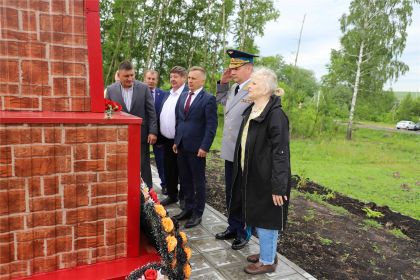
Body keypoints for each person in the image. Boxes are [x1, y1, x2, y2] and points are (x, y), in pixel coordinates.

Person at [229, 67, 291, 275]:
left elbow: (281, 154)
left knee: (267, 220)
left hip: (268, 178)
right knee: (257, 215)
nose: (250, 86)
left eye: (254, 83)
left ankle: (267, 261)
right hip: (253, 175)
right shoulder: (253, 110)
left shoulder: (276, 116)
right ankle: (268, 251)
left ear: (265, 88)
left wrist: (278, 186)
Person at [215, 49, 257, 250]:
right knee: (231, 192)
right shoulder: (233, 89)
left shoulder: (256, 90)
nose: (231, 71)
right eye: (230, 67)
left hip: (244, 152)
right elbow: (221, 102)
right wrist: (222, 84)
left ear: (249, 68)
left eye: (235, 67)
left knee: (244, 193)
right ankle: (233, 226)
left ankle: (244, 232)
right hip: (230, 150)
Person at [172, 66, 218, 228]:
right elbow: (179, 120)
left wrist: (205, 147)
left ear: (202, 81)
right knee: (185, 180)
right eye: (189, 78)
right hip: (182, 146)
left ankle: (198, 213)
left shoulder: (208, 99)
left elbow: (211, 126)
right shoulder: (183, 96)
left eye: (194, 78)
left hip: (197, 148)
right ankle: (188, 208)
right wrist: (177, 141)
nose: (190, 81)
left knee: (198, 182)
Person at [106, 61, 157, 189]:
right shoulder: (111, 90)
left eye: (132, 75)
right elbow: (107, 112)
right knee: (121, 164)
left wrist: (153, 131)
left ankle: (148, 195)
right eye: (126, 76)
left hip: (141, 134)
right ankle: (123, 189)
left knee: (143, 165)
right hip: (119, 136)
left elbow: (151, 111)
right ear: (119, 75)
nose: (130, 79)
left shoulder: (144, 88)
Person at [159, 66, 189, 207]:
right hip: (167, 140)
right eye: (171, 76)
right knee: (169, 169)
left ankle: (184, 198)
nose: (172, 79)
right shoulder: (168, 94)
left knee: (183, 171)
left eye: (176, 76)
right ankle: (172, 195)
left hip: (181, 140)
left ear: (184, 78)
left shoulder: (187, 94)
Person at [144, 70, 167, 194]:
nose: (151, 81)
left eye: (153, 79)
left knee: (161, 160)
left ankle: (165, 184)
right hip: (142, 131)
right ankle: (144, 186)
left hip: (158, 134)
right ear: (144, 79)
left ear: (157, 80)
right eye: (149, 78)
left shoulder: (163, 94)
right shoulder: (138, 93)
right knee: (142, 159)